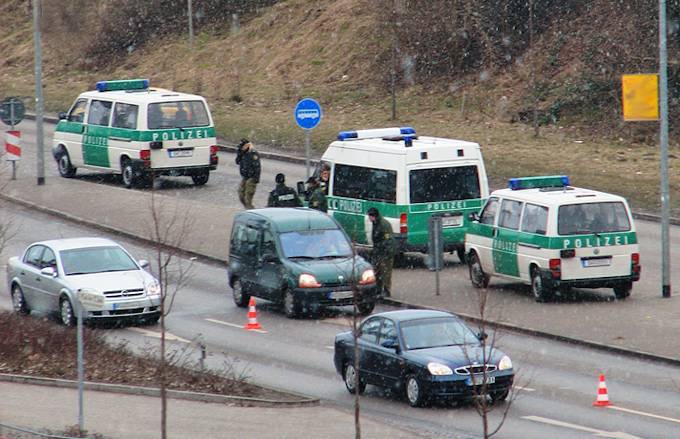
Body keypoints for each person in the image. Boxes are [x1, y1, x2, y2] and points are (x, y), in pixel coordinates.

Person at [367, 207, 396, 297]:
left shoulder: (384, 225)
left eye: (370, 216)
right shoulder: (376, 223)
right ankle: (378, 290)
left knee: (385, 273)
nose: (369, 219)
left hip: (385, 253)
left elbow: (388, 240)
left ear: (374, 216)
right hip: (378, 251)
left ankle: (387, 291)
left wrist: (386, 252)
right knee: (377, 271)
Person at [235, 138, 261, 209]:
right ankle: (248, 209)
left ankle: (251, 210)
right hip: (245, 176)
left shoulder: (253, 153)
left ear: (247, 146)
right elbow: (237, 161)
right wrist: (239, 153)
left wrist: (255, 179)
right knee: (241, 194)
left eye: (242, 147)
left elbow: (257, 168)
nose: (241, 148)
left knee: (248, 198)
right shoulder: (243, 153)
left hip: (252, 178)